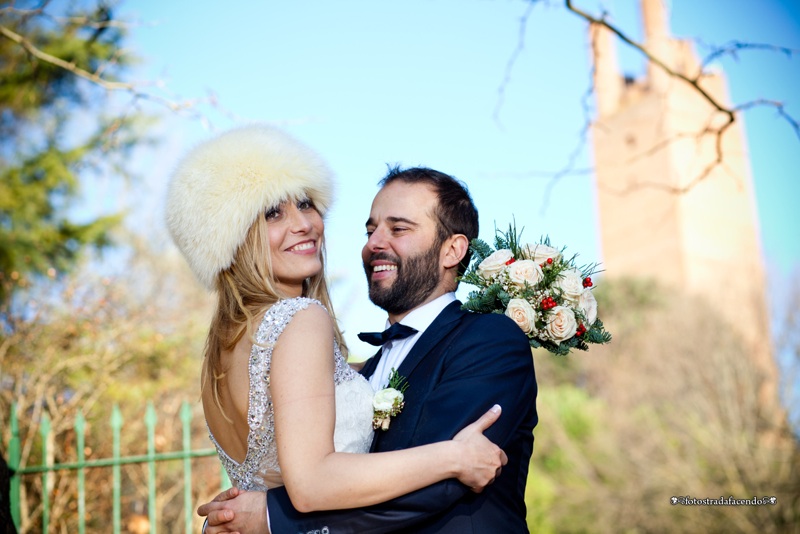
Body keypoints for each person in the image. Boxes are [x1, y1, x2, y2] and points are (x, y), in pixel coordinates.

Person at [166, 126, 510, 532]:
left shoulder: (222, 350)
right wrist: (453, 457)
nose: (305, 224)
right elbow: (312, 484)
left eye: (307, 204)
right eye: (273, 212)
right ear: (232, 236)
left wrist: (266, 517)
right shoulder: (300, 318)